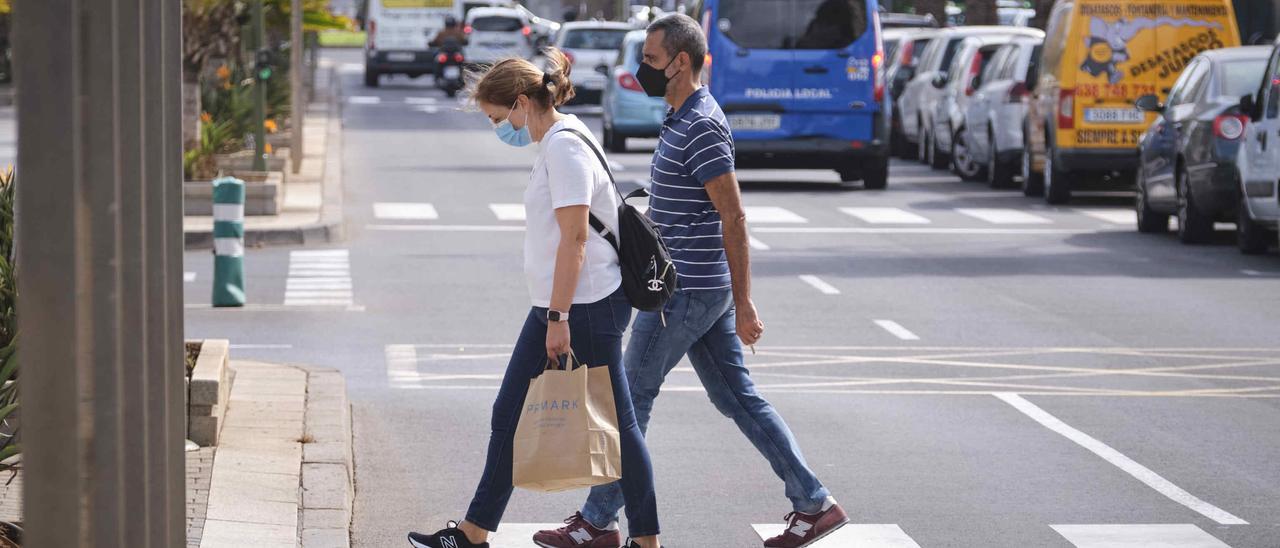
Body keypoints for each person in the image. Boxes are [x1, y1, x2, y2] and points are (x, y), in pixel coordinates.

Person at [534, 14, 847, 548]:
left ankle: (597, 521)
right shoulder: (679, 116)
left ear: (681, 62)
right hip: (693, 288)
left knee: (627, 400)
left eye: (652, 60)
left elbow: (734, 217)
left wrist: (744, 302)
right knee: (738, 399)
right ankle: (814, 503)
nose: (643, 70)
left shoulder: (701, 125)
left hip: (686, 294)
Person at [406, 49, 663, 548]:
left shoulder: (564, 148)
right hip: (570, 302)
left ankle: (647, 541)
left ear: (522, 102)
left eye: (499, 118)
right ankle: (474, 533)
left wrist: (558, 316)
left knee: (617, 425)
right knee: (514, 412)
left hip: (583, 304)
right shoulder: (561, 137)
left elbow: (575, 240)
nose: (500, 129)